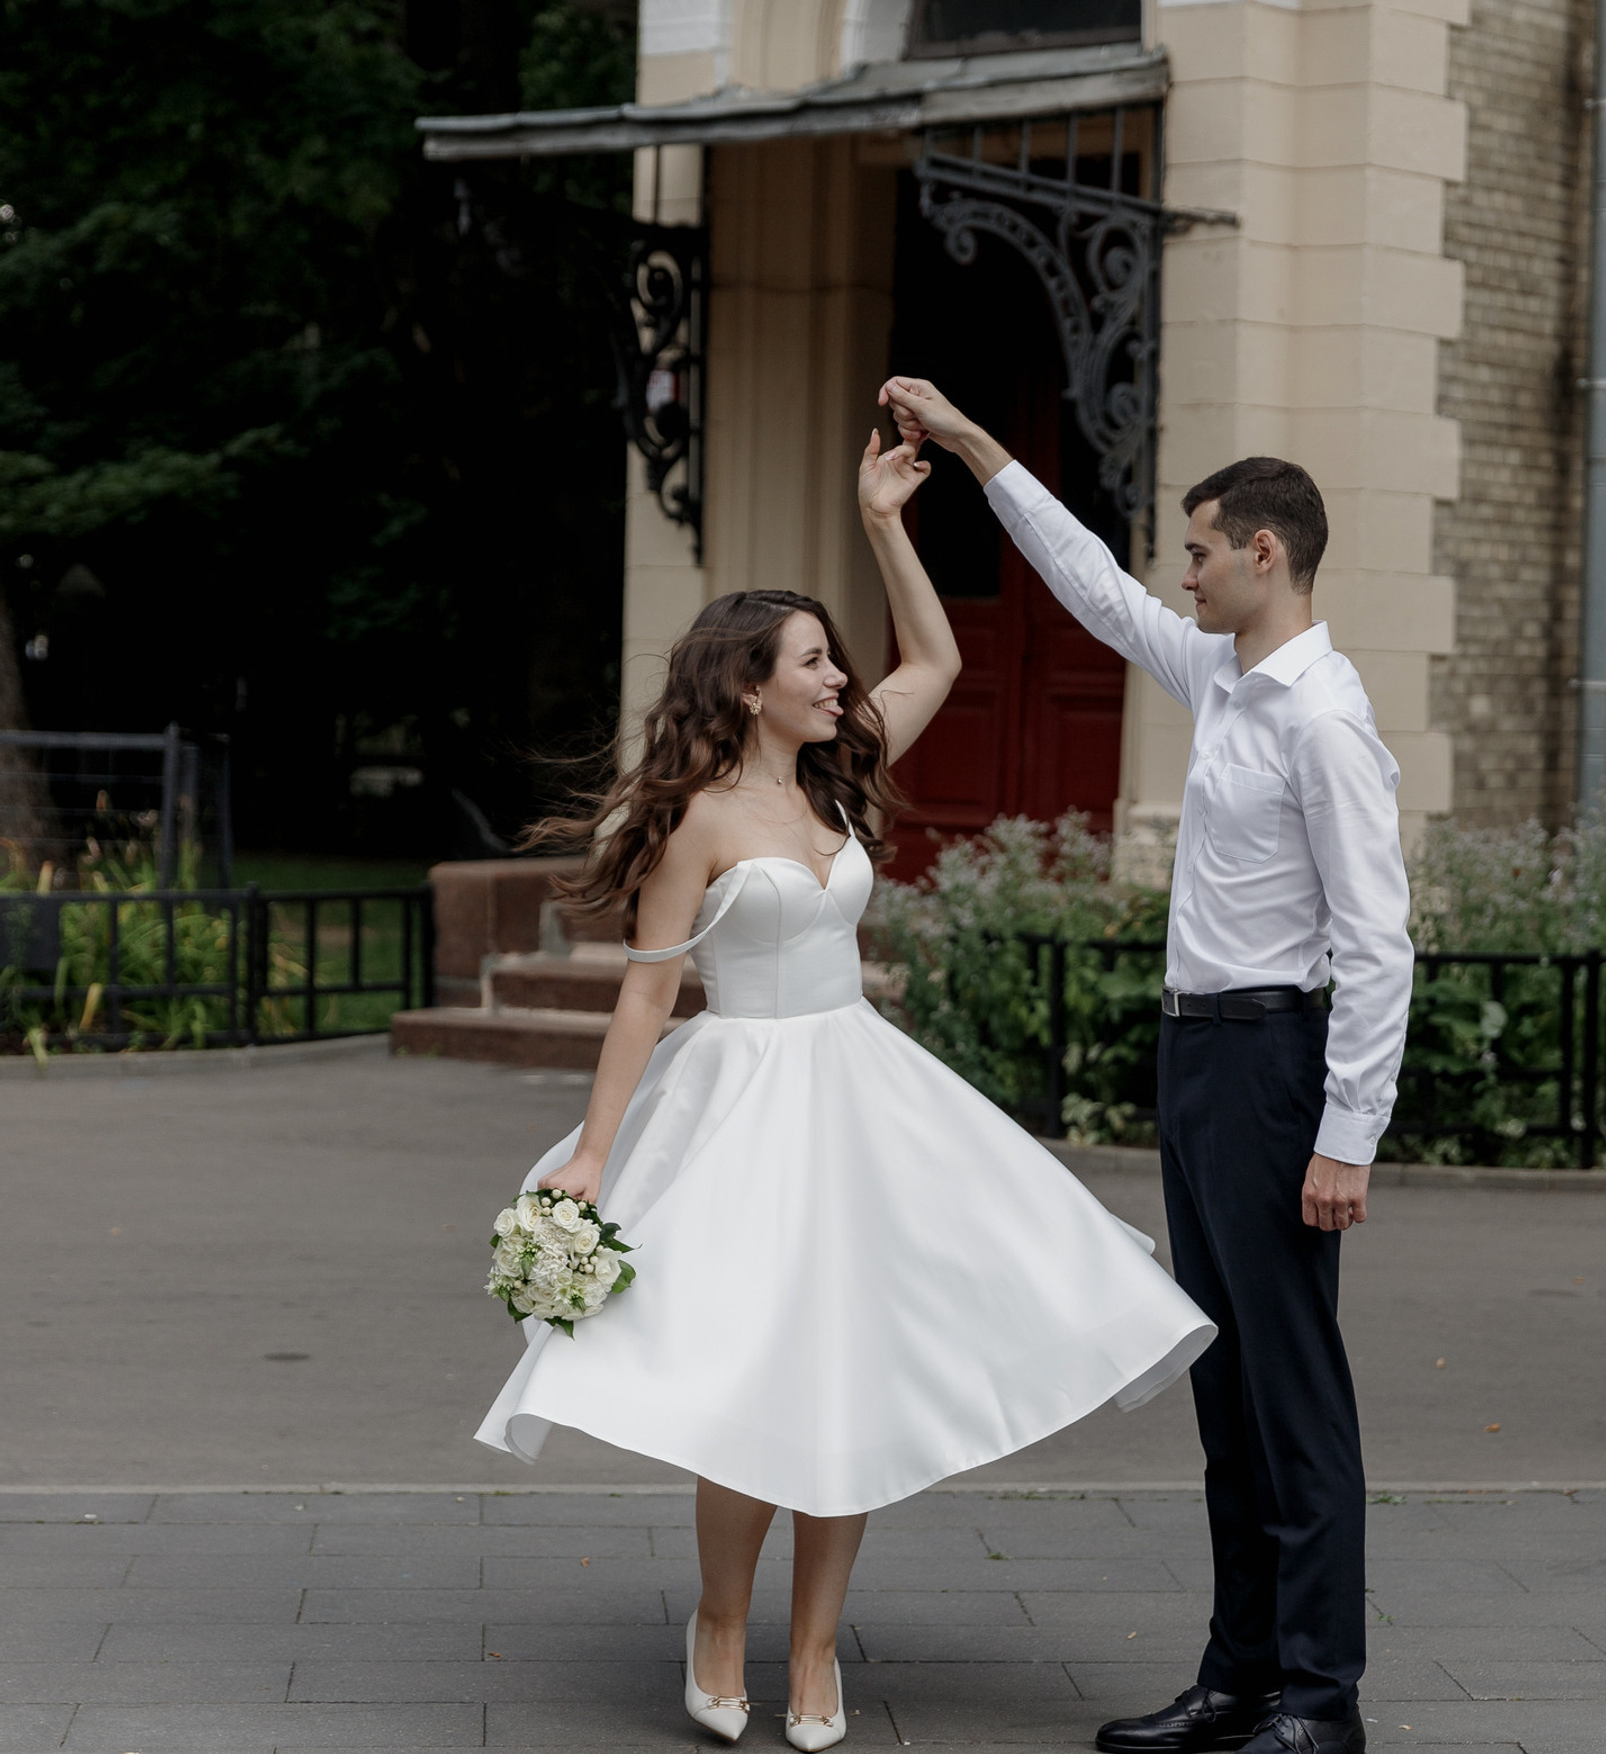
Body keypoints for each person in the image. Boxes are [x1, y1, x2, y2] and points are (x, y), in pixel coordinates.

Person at [474, 428, 1215, 1753]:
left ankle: (814, 1650)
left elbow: (940, 659)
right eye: (813, 660)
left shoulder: (840, 775)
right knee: (752, 1377)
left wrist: (885, 524)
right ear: (750, 686)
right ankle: (720, 1620)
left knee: (853, 1376)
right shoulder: (698, 816)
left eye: (831, 658)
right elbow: (648, 992)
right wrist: (592, 1158)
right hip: (743, 1107)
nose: (838, 679)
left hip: (865, 1101)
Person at [881, 377, 1414, 1754]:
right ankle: (1239, 1681)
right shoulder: (1223, 679)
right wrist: (976, 446)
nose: (1178, 573)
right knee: (1225, 1394)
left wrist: (1348, 1132)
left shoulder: (1321, 719)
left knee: (1294, 1398)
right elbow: (1093, 590)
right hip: (1199, 1062)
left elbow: (1378, 941)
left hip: (1274, 1067)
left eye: (1198, 550)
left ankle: (1320, 1699)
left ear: (1264, 555)